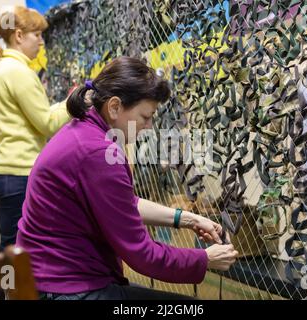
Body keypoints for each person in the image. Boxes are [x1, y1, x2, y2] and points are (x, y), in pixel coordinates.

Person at [16, 56, 239, 300]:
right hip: (66, 288)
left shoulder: (83, 131)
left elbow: (123, 203)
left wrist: (186, 219)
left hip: (48, 279)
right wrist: (205, 259)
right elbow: (142, 256)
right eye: (145, 116)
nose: (150, 126)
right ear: (114, 107)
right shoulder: (98, 153)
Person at [0, 6, 71, 254]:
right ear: (19, 36)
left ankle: (7, 291)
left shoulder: (3, 68)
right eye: (38, 35)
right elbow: (47, 123)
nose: (41, 43)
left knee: (11, 247)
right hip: (17, 173)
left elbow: (36, 116)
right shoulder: (18, 72)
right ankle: (8, 292)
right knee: (14, 251)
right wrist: (72, 103)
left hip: (7, 170)